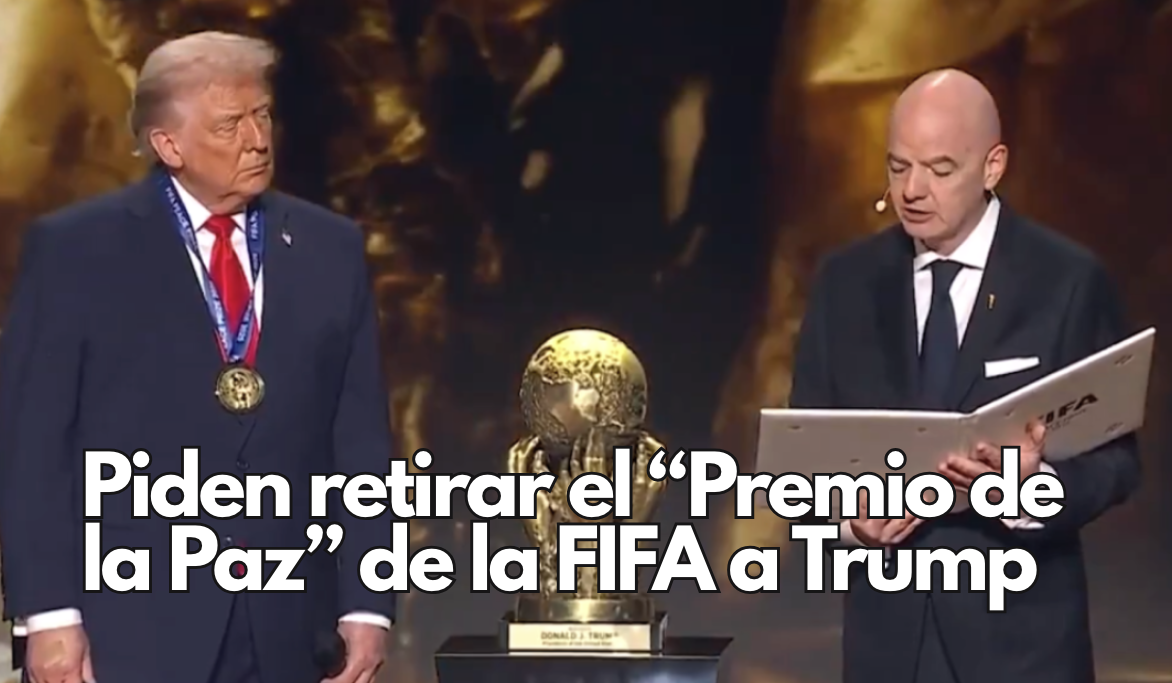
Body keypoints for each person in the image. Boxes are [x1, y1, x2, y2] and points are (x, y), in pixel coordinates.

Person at [0, 31, 394, 683]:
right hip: (131, 623)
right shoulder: (75, 251)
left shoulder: (331, 248)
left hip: (292, 623)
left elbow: (360, 443)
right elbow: (35, 446)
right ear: (168, 145)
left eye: (262, 115)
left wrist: (368, 600)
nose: (257, 140)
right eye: (230, 125)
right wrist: (48, 614)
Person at [789, 68, 1141, 683]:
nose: (912, 190)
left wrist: (1035, 489)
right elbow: (799, 460)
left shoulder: (1066, 280)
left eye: (940, 169)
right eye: (898, 167)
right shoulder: (844, 284)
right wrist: (846, 519)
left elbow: (1117, 463)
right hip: (888, 649)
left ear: (993, 166)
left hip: (1023, 649)